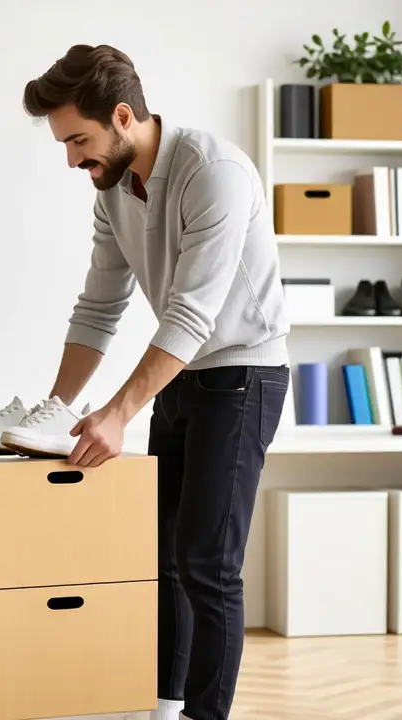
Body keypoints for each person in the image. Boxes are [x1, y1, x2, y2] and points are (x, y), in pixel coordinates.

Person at [22, 44, 291, 720]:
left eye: (78, 140)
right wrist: (60, 407)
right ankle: (165, 709)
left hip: (242, 373)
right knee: (164, 558)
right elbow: (99, 306)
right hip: (178, 376)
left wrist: (117, 412)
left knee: (208, 564)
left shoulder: (215, 172)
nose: (71, 159)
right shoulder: (112, 189)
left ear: (121, 116)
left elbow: (193, 314)